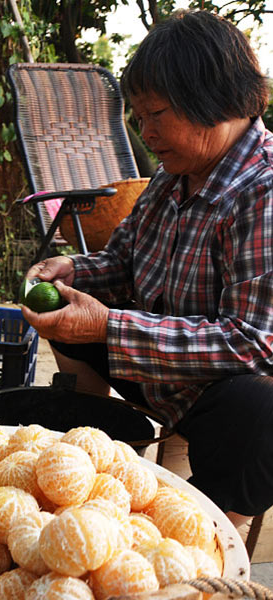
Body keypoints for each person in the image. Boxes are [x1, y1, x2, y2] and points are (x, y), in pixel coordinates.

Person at [20, 9, 273, 527]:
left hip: (229, 394)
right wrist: (71, 269)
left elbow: (250, 344)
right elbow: (123, 262)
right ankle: (92, 453)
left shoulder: (264, 192)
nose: (146, 131)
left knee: (259, 411)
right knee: (67, 309)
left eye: (156, 114)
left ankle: (204, 532)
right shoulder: (175, 173)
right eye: (140, 116)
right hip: (166, 372)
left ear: (215, 101)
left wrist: (110, 326)